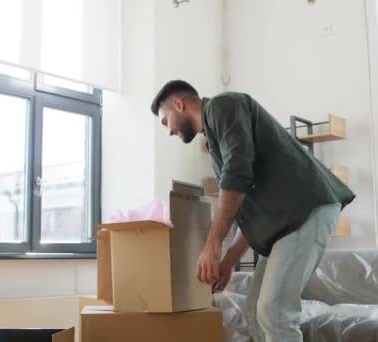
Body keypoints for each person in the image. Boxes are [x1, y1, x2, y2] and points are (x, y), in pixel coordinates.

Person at [151, 80, 355, 342]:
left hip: (305, 210)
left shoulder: (222, 107)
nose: (169, 132)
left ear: (179, 105)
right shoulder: (215, 140)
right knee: (254, 306)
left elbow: (237, 174)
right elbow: (248, 209)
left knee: (274, 312)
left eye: (166, 122)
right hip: (285, 222)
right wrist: (228, 261)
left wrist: (213, 244)